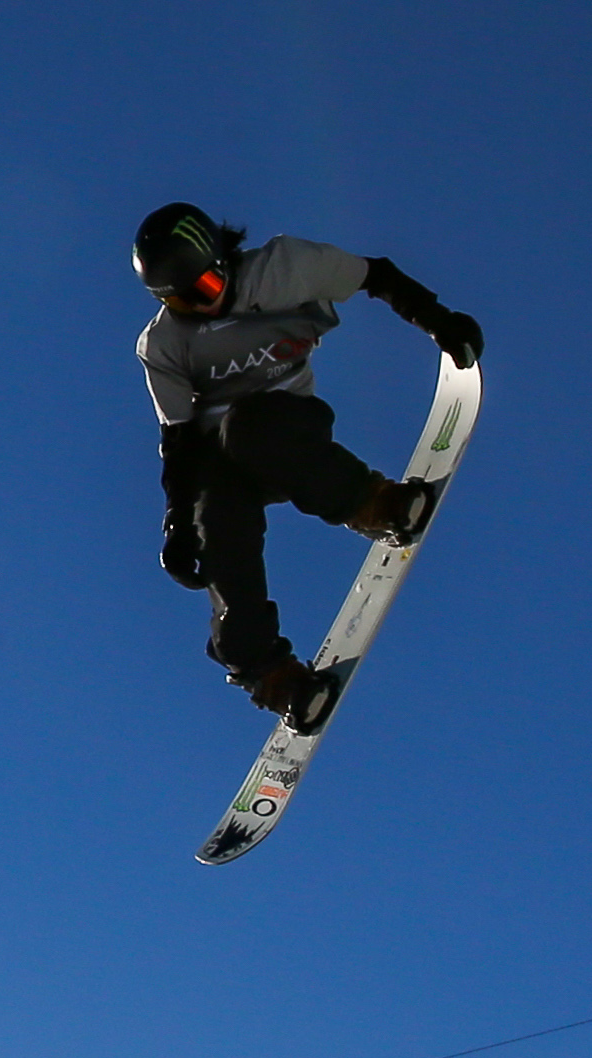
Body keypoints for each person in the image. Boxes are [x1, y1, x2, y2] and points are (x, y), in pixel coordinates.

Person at [131, 202, 484, 717]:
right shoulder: (162, 345)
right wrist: (179, 524)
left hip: (282, 427)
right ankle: (272, 676)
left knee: (249, 430)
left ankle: (374, 503)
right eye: (182, 303)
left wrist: (438, 320)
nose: (201, 308)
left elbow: (375, 275)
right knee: (217, 526)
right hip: (219, 462)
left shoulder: (285, 269)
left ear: (224, 262)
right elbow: (180, 442)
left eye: (205, 290)